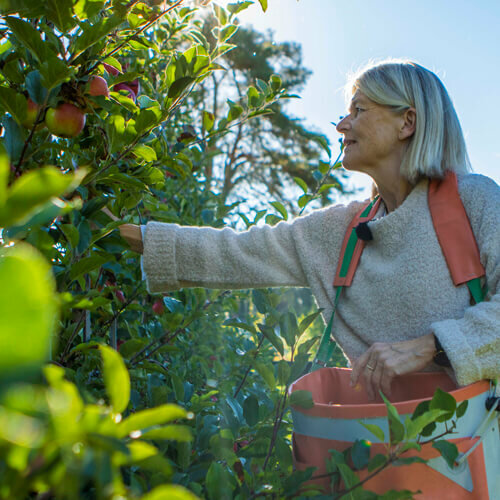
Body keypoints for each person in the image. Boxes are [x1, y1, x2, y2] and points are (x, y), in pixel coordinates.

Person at [117, 59, 500, 400]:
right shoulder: (343, 232)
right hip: (372, 459)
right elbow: (238, 251)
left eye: (359, 110)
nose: (341, 125)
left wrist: (430, 347)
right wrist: (121, 232)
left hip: (469, 454)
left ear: (408, 122)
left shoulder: (474, 202)